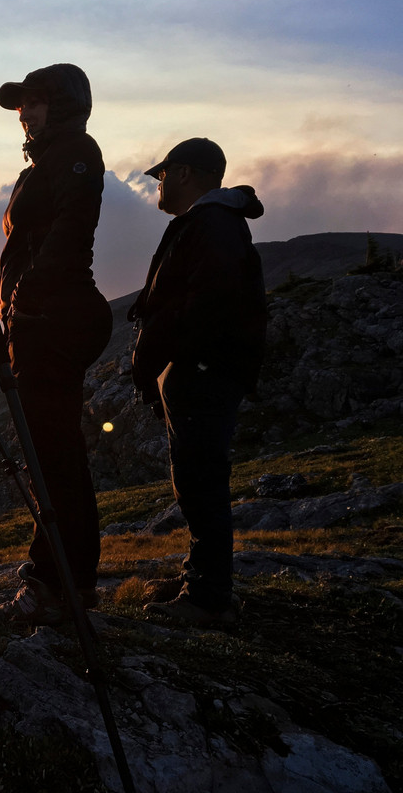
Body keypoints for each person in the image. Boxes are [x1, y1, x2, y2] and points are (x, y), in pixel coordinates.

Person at [0, 64, 114, 625]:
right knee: (51, 451)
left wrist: (31, 294)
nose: (25, 112)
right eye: (22, 105)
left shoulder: (76, 153)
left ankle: (61, 583)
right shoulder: (48, 160)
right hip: (40, 316)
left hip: (54, 317)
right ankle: (62, 576)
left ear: (64, 104)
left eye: (36, 102)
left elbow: (72, 228)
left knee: (55, 455)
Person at [128, 137, 268, 625]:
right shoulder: (208, 224)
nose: (158, 185)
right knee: (194, 479)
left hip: (203, 374)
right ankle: (201, 578)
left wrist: (167, 352)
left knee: (201, 481)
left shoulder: (212, 226)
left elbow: (204, 305)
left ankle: (209, 598)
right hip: (197, 371)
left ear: (185, 173)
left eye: (162, 175)